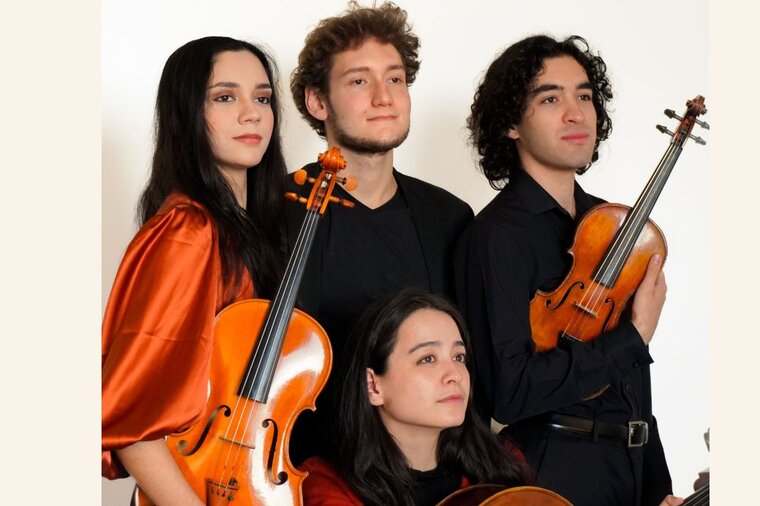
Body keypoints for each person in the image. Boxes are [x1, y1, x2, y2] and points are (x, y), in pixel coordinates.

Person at [454, 35, 683, 506]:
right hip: (555, 471)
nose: (576, 114)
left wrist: (658, 485)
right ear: (511, 124)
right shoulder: (495, 237)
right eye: (550, 99)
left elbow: (631, 383)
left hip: (634, 468)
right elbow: (509, 393)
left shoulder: (612, 224)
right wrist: (633, 336)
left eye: (584, 96)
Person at [101, 36, 288, 505]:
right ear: (186, 114)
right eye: (224, 97)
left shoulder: (250, 228)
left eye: (262, 98)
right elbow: (129, 422)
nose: (252, 114)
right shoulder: (190, 230)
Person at [287, 1, 473, 463]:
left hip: (426, 471)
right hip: (306, 469)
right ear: (317, 101)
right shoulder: (280, 210)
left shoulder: (449, 217)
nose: (383, 97)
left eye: (395, 79)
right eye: (359, 81)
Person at [300, 288, 530, 506]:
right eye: (427, 359)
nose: (455, 375)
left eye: (459, 357)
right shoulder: (324, 483)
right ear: (372, 386)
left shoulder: (502, 462)